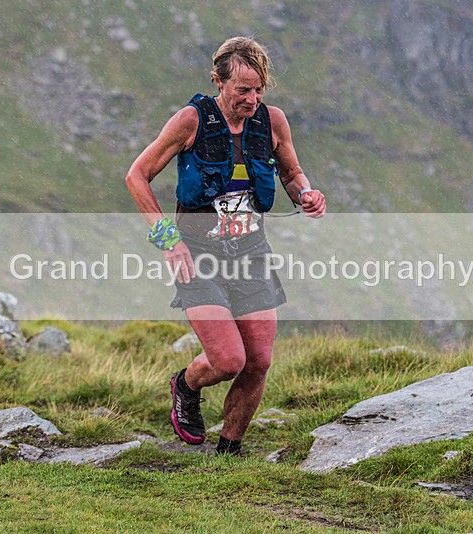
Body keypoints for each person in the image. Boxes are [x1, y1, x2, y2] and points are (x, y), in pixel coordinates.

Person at [125, 36, 325, 455]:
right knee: (228, 360)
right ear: (218, 81)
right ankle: (186, 384)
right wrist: (168, 241)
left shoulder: (272, 121)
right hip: (197, 255)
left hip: (251, 253)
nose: (252, 99)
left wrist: (306, 193)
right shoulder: (191, 120)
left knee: (259, 361)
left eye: (258, 90)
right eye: (242, 90)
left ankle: (229, 451)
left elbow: (292, 173)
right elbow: (136, 176)